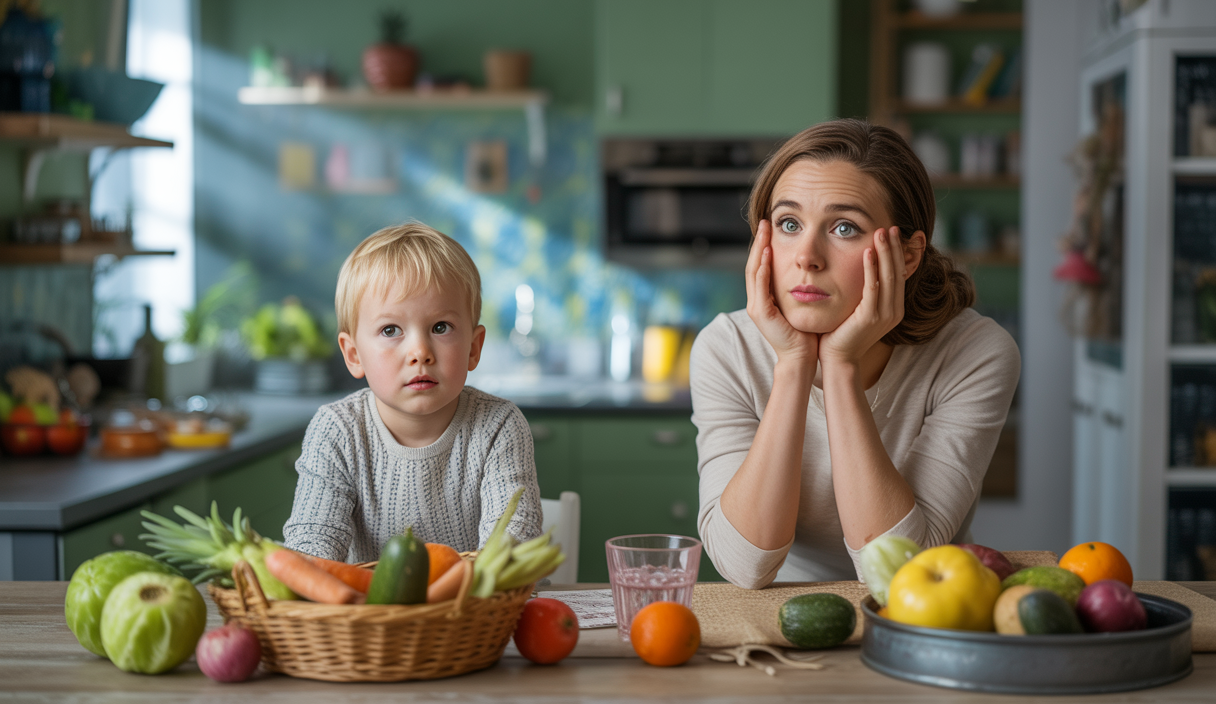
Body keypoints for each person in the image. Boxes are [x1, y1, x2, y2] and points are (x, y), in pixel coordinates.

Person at [691, 119, 1020, 588]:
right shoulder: (727, 349)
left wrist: (841, 366)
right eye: (789, 224)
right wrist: (793, 365)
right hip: (784, 609)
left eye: (844, 228)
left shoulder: (974, 354)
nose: (806, 256)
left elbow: (901, 573)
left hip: (924, 608)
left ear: (907, 256)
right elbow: (744, 566)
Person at [283, 222, 542, 562]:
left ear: (473, 347)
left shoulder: (499, 425)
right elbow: (311, 545)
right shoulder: (337, 430)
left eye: (440, 327)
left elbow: (513, 542)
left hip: (479, 596)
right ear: (354, 355)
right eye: (391, 330)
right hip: (367, 600)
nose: (420, 351)